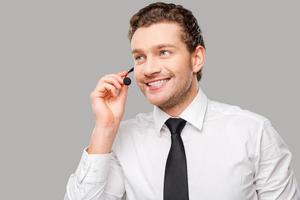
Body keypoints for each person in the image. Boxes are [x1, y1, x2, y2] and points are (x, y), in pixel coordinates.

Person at [64, 2, 300, 200]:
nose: (149, 69)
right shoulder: (123, 139)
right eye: (140, 57)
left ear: (196, 59)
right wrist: (105, 128)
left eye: (164, 52)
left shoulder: (254, 132)